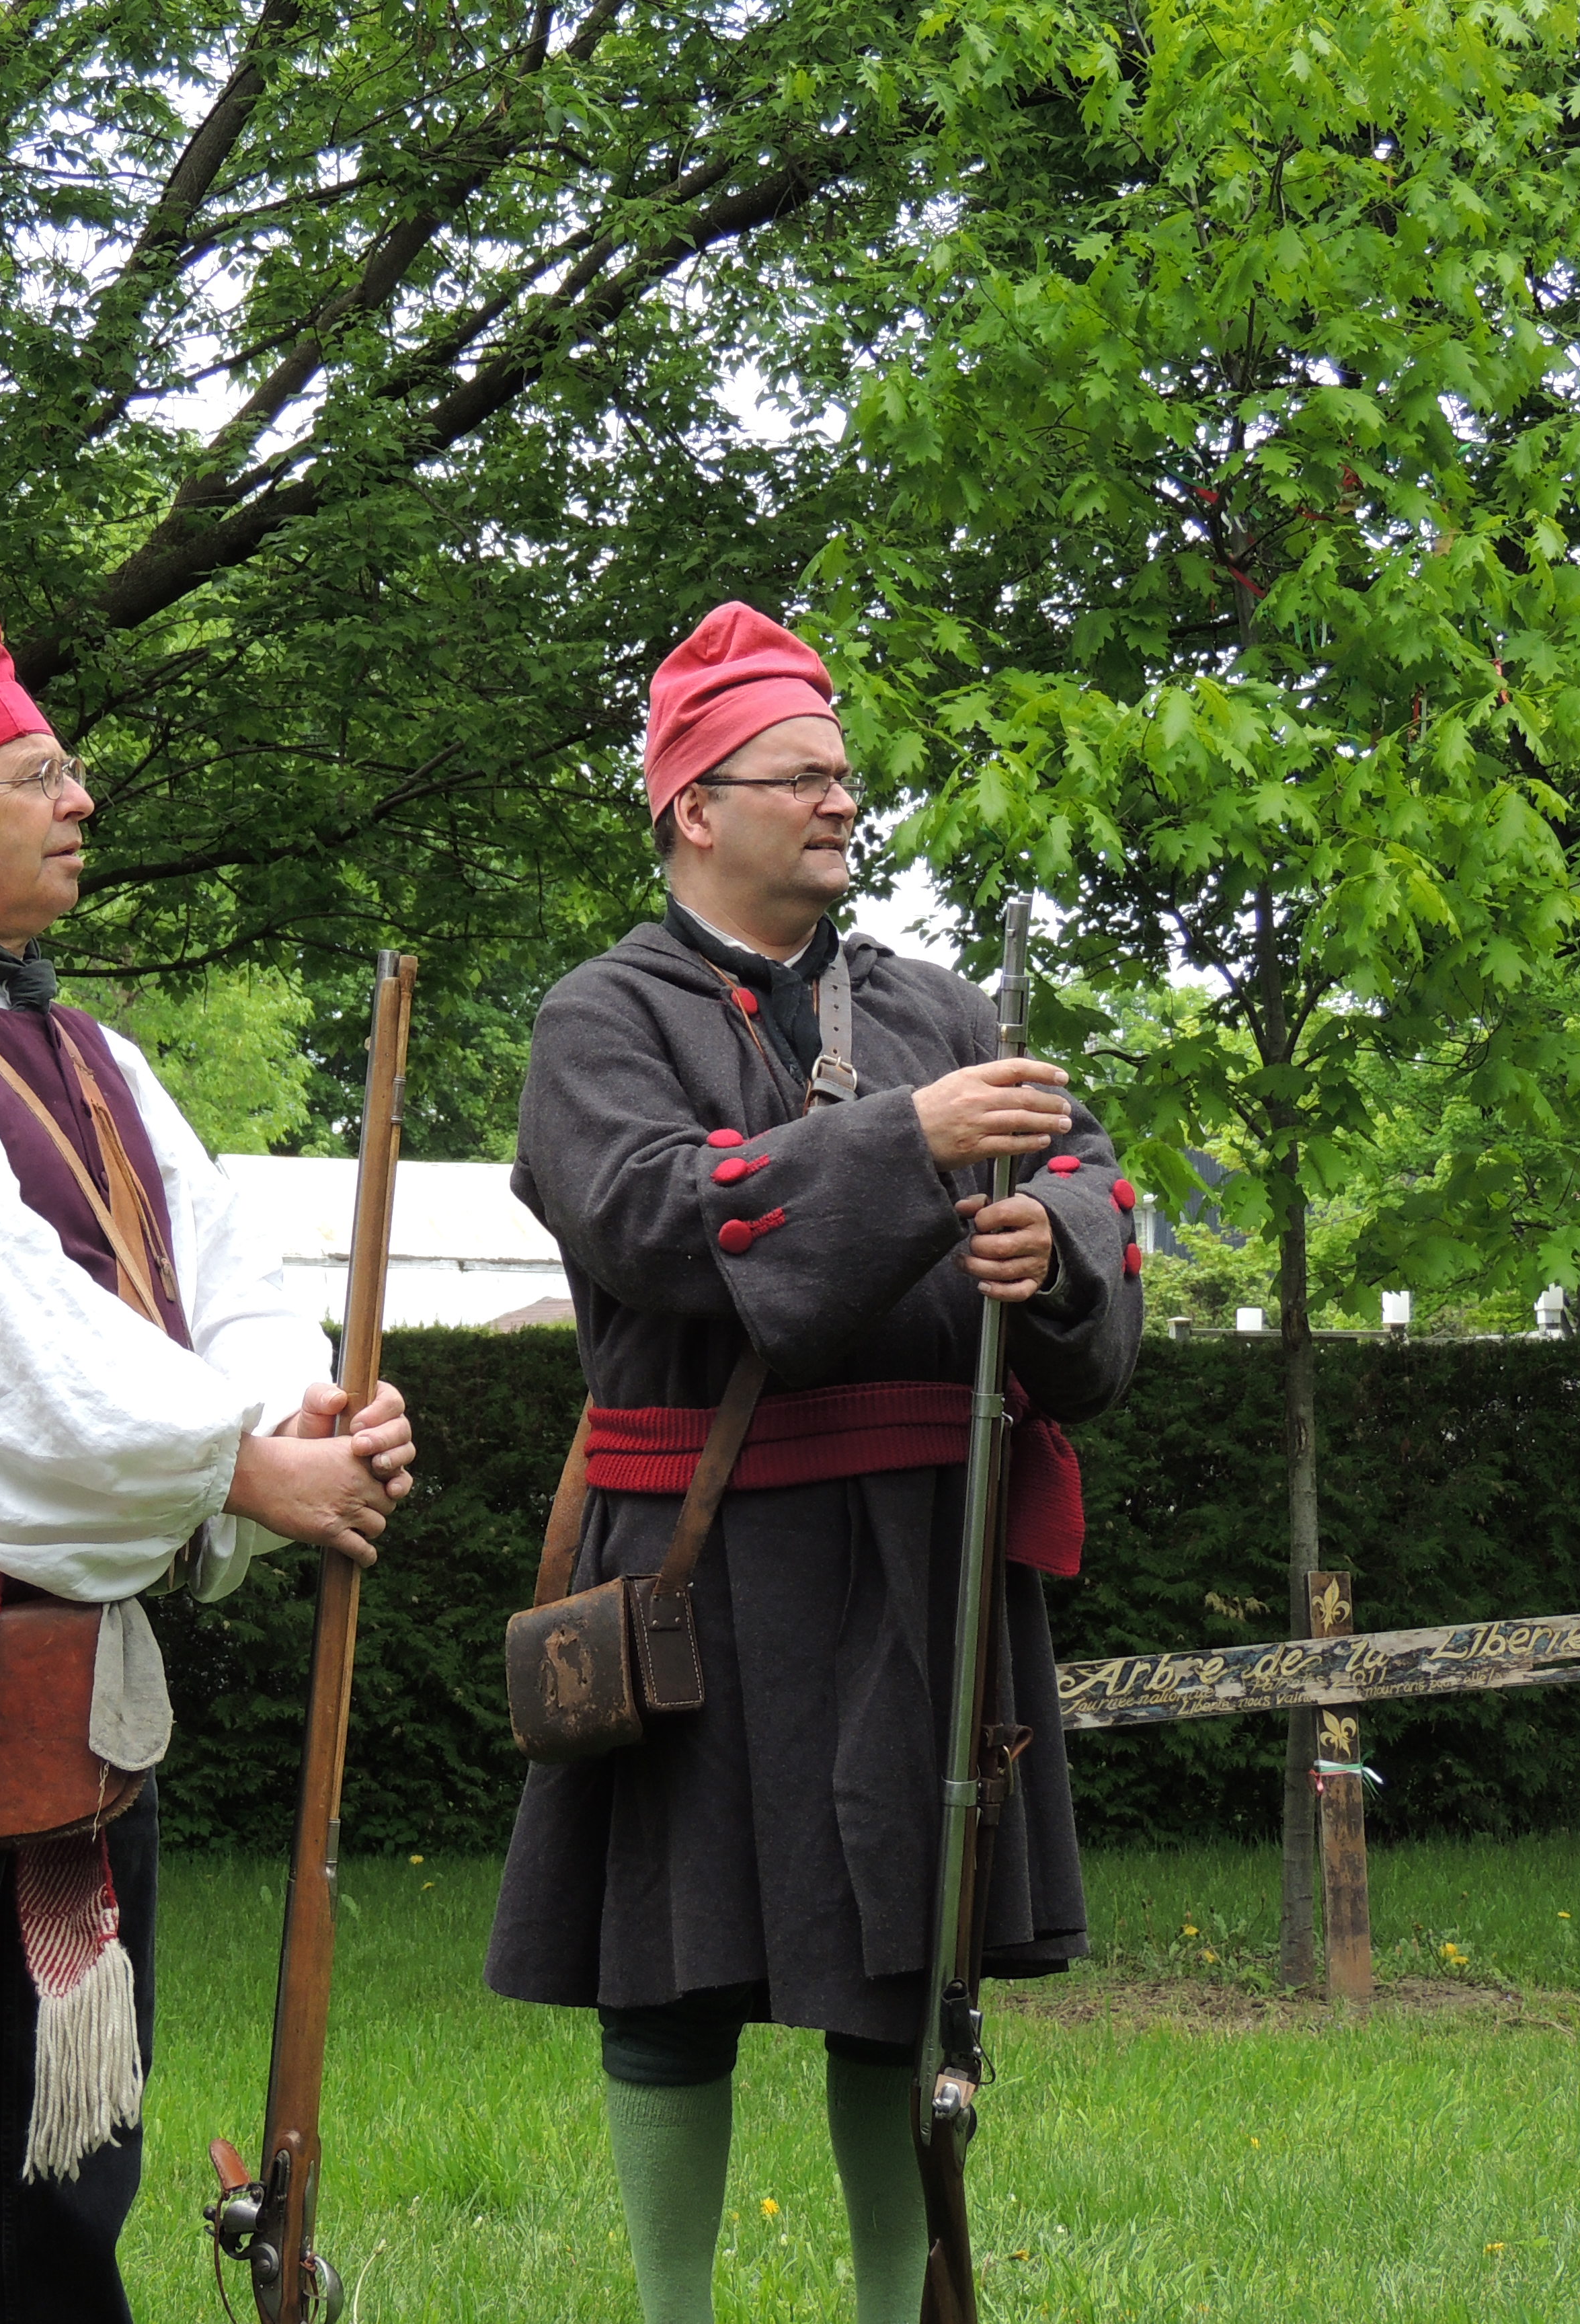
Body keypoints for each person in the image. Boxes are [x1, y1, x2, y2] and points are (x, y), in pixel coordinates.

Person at [485, 603, 1146, 2324]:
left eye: (846, 776)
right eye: (802, 775)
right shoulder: (598, 1018)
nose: (842, 801)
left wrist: (1054, 1254)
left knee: (900, 1980)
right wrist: (910, 1144)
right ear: (696, 805)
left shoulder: (943, 1007)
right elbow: (646, 1214)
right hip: (695, 1565)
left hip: (920, 1557)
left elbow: (1093, 1184)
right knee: (669, 1976)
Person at [0, 611, 416, 2324]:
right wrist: (238, 1469)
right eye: (38, 776)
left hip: (66, 1648)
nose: (81, 801)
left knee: (69, 2139)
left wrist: (297, 1413)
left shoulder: (102, 1055)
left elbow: (224, 1279)